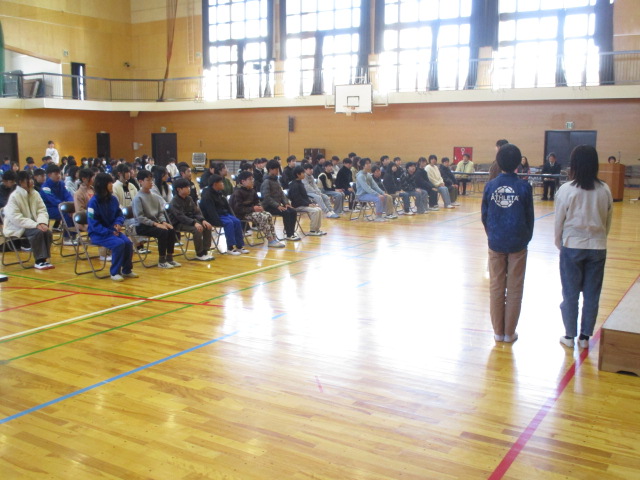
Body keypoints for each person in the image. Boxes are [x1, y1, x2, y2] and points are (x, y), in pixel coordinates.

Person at [555, 145, 613, 350]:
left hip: (572, 246)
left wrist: (559, 243)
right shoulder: (605, 189)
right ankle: (585, 337)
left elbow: (559, 221)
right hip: (598, 247)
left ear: (574, 165)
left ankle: (569, 336)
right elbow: (607, 221)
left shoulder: (566, 190)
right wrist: (599, 239)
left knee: (570, 294)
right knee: (592, 295)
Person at [481, 143, 534, 343]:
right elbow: (529, 217)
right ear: (518, 163)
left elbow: (484, 216)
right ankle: (509, 333)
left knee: (496, 286)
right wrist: (525, 238)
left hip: (496, 241)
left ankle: (498, 332)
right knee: (514, 288)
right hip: (517, 242)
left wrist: (492, 235)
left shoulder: (490, 186)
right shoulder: (524, 187)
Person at [87, 173, 137, 281]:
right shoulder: (93, 202)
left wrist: (118, 223)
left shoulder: (113, 199)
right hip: (98, 234)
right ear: (102, 184)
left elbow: (119, 214)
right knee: (118, 244)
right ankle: (115, 272)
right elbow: (93, 224)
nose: (112, 185)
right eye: (109, 182)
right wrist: (109, 231)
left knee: (128, 243)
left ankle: (127, 270)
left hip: (113, 231)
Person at [133, 170, 181, 268]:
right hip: (142, 226)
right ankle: (162, 260)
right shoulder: (138, 198)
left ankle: (170, 258)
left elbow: (160, 212)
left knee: (171, 229)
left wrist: (164, 222)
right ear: (141, 181)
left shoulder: (155, 197)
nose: (151, 182)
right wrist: (156, 224)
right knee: (162, 232)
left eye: (152, 180)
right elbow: (140, 217)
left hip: (154, 224)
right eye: (148, 180)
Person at [230, 171, 285, 248]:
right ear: (243, 181)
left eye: (252, 179)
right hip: (242, 214)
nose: (252, 181)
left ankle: (274, 238)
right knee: (263, 217)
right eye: (250, 179)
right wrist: (253, 208)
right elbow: (238, 209)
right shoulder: (237, 192)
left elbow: (257, 202)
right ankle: (270, 240)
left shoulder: (252, 190)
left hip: (251, 212)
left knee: (268, 214)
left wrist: (260, 207)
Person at [199, 174, 249, 254]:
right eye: (221, 182)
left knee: (237, 221)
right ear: (215, 184)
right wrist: (217, 221)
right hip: (214, 217)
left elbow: (227, 206)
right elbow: (211, 211)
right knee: (229, 223)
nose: (223, 184)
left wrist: (232, 216)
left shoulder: (220, 193)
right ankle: (230, 247)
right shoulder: (207, 195)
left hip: (224, 214)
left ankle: (239, 246)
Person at [170, 177, 214, 261]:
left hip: (191, 221)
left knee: (207, 226)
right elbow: (180, 217)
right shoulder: (174, 201)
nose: (189, 189)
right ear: (179, 189)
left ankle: (205, 250)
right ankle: (199, 253)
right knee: (197, 230)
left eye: (189, 187)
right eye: (186, 187)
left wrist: (202, 220)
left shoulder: (189, 199)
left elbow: (196, 212)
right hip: (179, 223)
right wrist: (194, 223)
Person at [260, 159, 300, 241]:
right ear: (270, 169)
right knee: (286, 212)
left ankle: (291, 232)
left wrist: (286, 203)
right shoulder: (266, 181)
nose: (278, 171)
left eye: (278, 169)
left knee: (292, 211)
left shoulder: (276, 180)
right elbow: (266, 197)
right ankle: (289, 234)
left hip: (277, 205)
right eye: (276, 169)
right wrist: (277, 206)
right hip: (268, 207)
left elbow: (281, 193)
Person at [39, 164, 75, 243]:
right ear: (49, 175)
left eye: (59, 173)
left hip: (62, 207)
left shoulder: (61, 184)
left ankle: (73, 236)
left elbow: (68, 195)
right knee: (66, 214)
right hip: (49, 209)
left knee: (74, 212)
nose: (58, 176)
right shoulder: (45, 187)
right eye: (56, 174)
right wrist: (66, 206)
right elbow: (53, 200)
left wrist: (71, 205)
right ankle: (67, 238)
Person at [288, 166, 326, 236]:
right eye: (303, 173)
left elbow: (305, 197)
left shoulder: (300, 183)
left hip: (303, 205)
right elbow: (297, 199)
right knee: (315, 211)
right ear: (298, 174)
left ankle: (317, 229)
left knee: (319, 209)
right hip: (297, 206)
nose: (304, 174)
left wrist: (311, 203)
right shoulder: (294, 185)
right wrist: (308, 204)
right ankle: (312, 231)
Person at [356, 157, 394, 222]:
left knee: (388, 196)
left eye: (369, 163)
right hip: (361, 195)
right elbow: (366, 188)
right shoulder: (360, 176)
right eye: (367, 163)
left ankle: (388, 214)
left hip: (369, 194)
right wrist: (377, 194)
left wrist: (382, 193)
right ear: (363, 165)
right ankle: (378, 217)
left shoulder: (368, 175)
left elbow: (375, 186)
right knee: (378, 198)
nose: (369, 165)